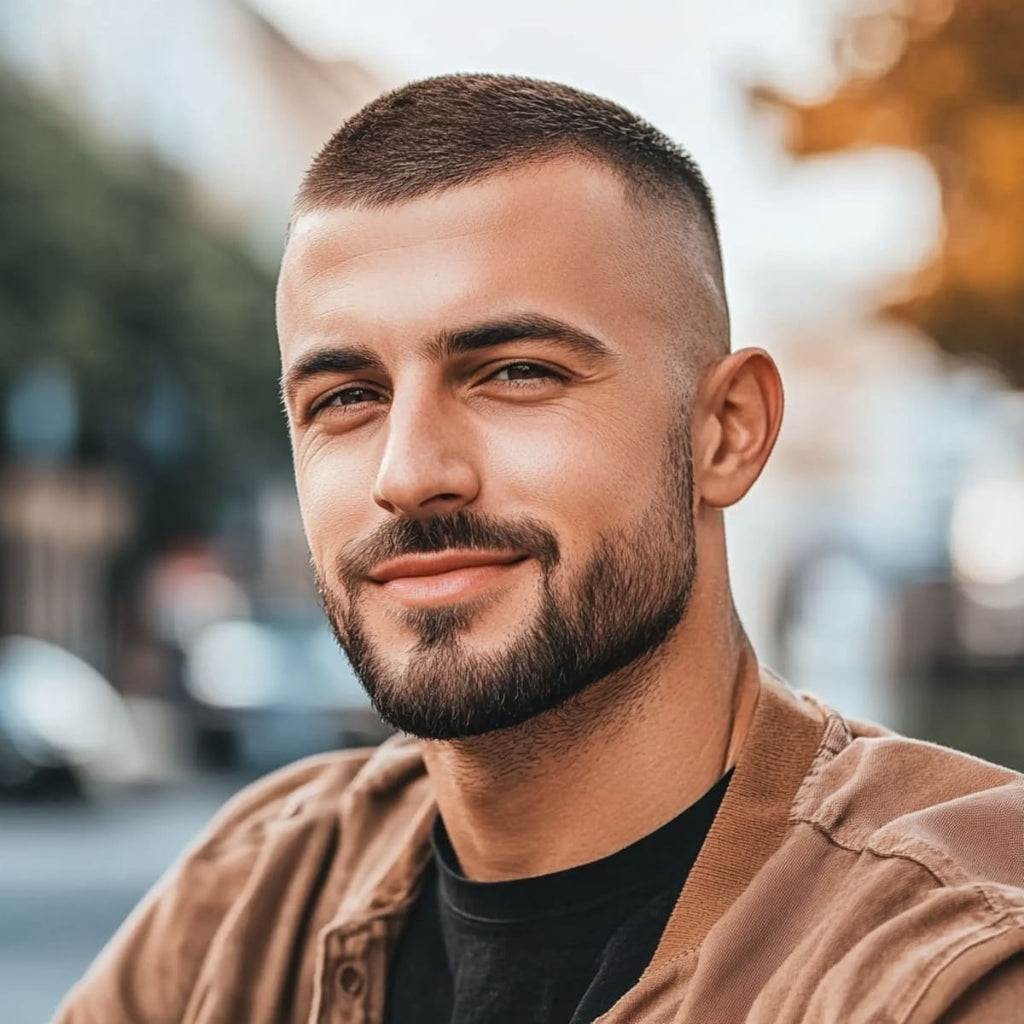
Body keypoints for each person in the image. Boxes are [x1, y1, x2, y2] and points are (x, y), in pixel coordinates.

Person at [55, 74, 1023, 1024]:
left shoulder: (951, 956)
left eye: (515, 372)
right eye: (346, 396)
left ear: (726, 430)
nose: (407, 473)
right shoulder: (249, 900)